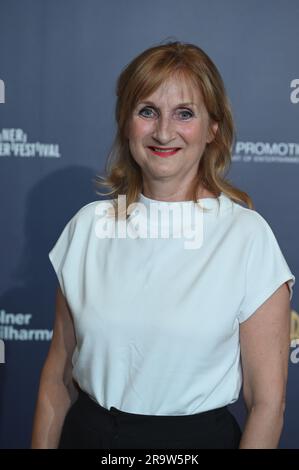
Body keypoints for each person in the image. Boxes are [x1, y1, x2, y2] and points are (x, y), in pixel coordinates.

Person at [31, 41, 295, 449]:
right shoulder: (87, 229)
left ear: (213, 129)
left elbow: (267, 405)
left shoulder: (247, 238)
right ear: (126, 123)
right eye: (147, 111)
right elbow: (56, 379)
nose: (163, 131)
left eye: (184, 114)